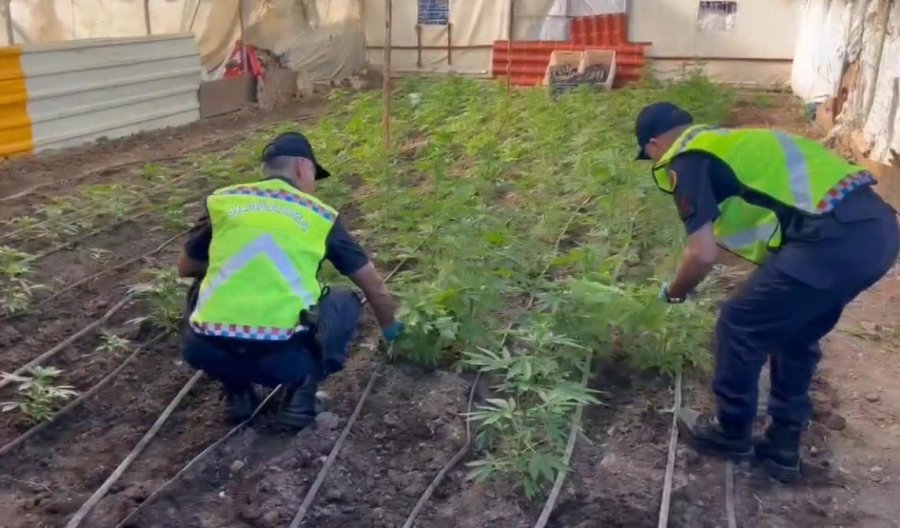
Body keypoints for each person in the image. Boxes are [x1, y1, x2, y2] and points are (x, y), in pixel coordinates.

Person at [634, 102, 899, 482]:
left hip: (833, 237)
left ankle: (731, 432)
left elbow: (701, 252)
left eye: (649, 156)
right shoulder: (731, 143)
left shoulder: (686, 158)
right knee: (795, 333)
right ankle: (782, 450)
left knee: (739, 323)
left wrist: (675, 292)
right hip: (877, 230)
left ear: (656, 144)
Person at [177, 131, 404, 430]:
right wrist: (392, 330)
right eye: (313, 174)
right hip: (283, 359)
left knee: (201, 290)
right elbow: (373, 286)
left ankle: (237, 391)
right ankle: (300, 394)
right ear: (301, 167)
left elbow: (186, 267)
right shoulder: (317, 215)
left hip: (206, 349)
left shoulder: (223, 201)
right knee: (344, 300)